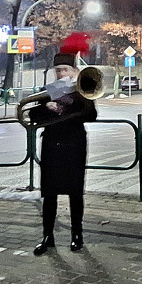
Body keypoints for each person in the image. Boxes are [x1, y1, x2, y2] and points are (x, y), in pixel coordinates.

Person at [29, 33, 98, 255]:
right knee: (49, 194)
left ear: (74, 72)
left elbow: (91, 115)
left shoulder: (82, 90)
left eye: (65, 70)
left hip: (74, 144)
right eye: (58, 70)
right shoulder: (48, 91)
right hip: (51, 144)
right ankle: (47, 236)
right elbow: (32, 115)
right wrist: (44, 107)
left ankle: (77, 235)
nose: (61, 73)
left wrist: (77, 97)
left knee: (75, 193)